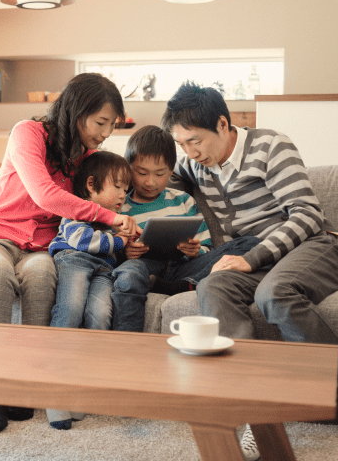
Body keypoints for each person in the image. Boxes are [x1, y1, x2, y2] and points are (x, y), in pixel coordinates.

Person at [160, 80, 338, 461]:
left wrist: (251, 258)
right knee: (212, 287)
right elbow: (155, 182)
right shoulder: (195, 165)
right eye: (182, 144)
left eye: (196, 141)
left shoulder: (271, 146)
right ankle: (256, 417)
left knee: (274, 294)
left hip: (312, 248)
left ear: (223, 125)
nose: (190, 152)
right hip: (254, 258)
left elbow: (308, 215)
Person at [0, 73, 140, 433]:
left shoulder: (86, 158)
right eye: (101, 122)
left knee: (42, 277)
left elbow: (100, 194)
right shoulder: (28, 133)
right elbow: (45, 194)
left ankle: (27, 385)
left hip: (40, 247)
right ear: (77, 111)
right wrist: (110, 216)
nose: (106, 133)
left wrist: (127, 231)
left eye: (112, 126)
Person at [111, 125, 260, 333]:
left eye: (160, 174)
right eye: (142, 172)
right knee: (128, 274)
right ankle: (126, 341)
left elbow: (206, 248)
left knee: (250, 244)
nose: (150, 182)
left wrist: (195, 250)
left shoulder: (184, 201)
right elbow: (110, 250)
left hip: (184, 266)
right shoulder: (119, 207)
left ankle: (177, 284)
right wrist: (125, 253)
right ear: (129, 168)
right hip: (145, 267)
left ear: (171, 172)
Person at [46, 150, 133, 429]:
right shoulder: (75, 209)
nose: (123, 195)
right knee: (70, 311)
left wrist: (130, 246)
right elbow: (81, 240)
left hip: (104, 269)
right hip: (75, 261)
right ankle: (55, 396)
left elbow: (114, 248)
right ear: (92, 185)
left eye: (126, 189)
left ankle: (84, 390)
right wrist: (119, 242)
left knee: (100, 316)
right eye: (117, 186)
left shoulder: (118, 219)